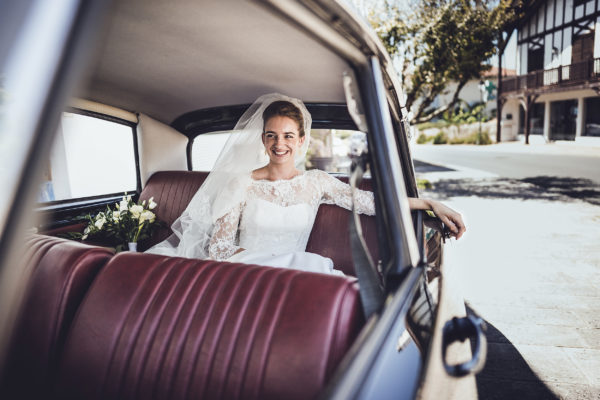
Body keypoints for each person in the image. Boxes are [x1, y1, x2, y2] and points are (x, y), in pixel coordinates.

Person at [146, 93, 465, 275]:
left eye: (287, 136)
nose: (279, 144)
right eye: (271, 135)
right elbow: (217, 248)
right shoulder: (241, 184)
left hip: (299, 278)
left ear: (300, 141)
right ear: (263, 140)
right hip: (243, 275)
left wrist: (429, 203)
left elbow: (371, 204)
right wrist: (270, 266)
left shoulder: (317, 182)